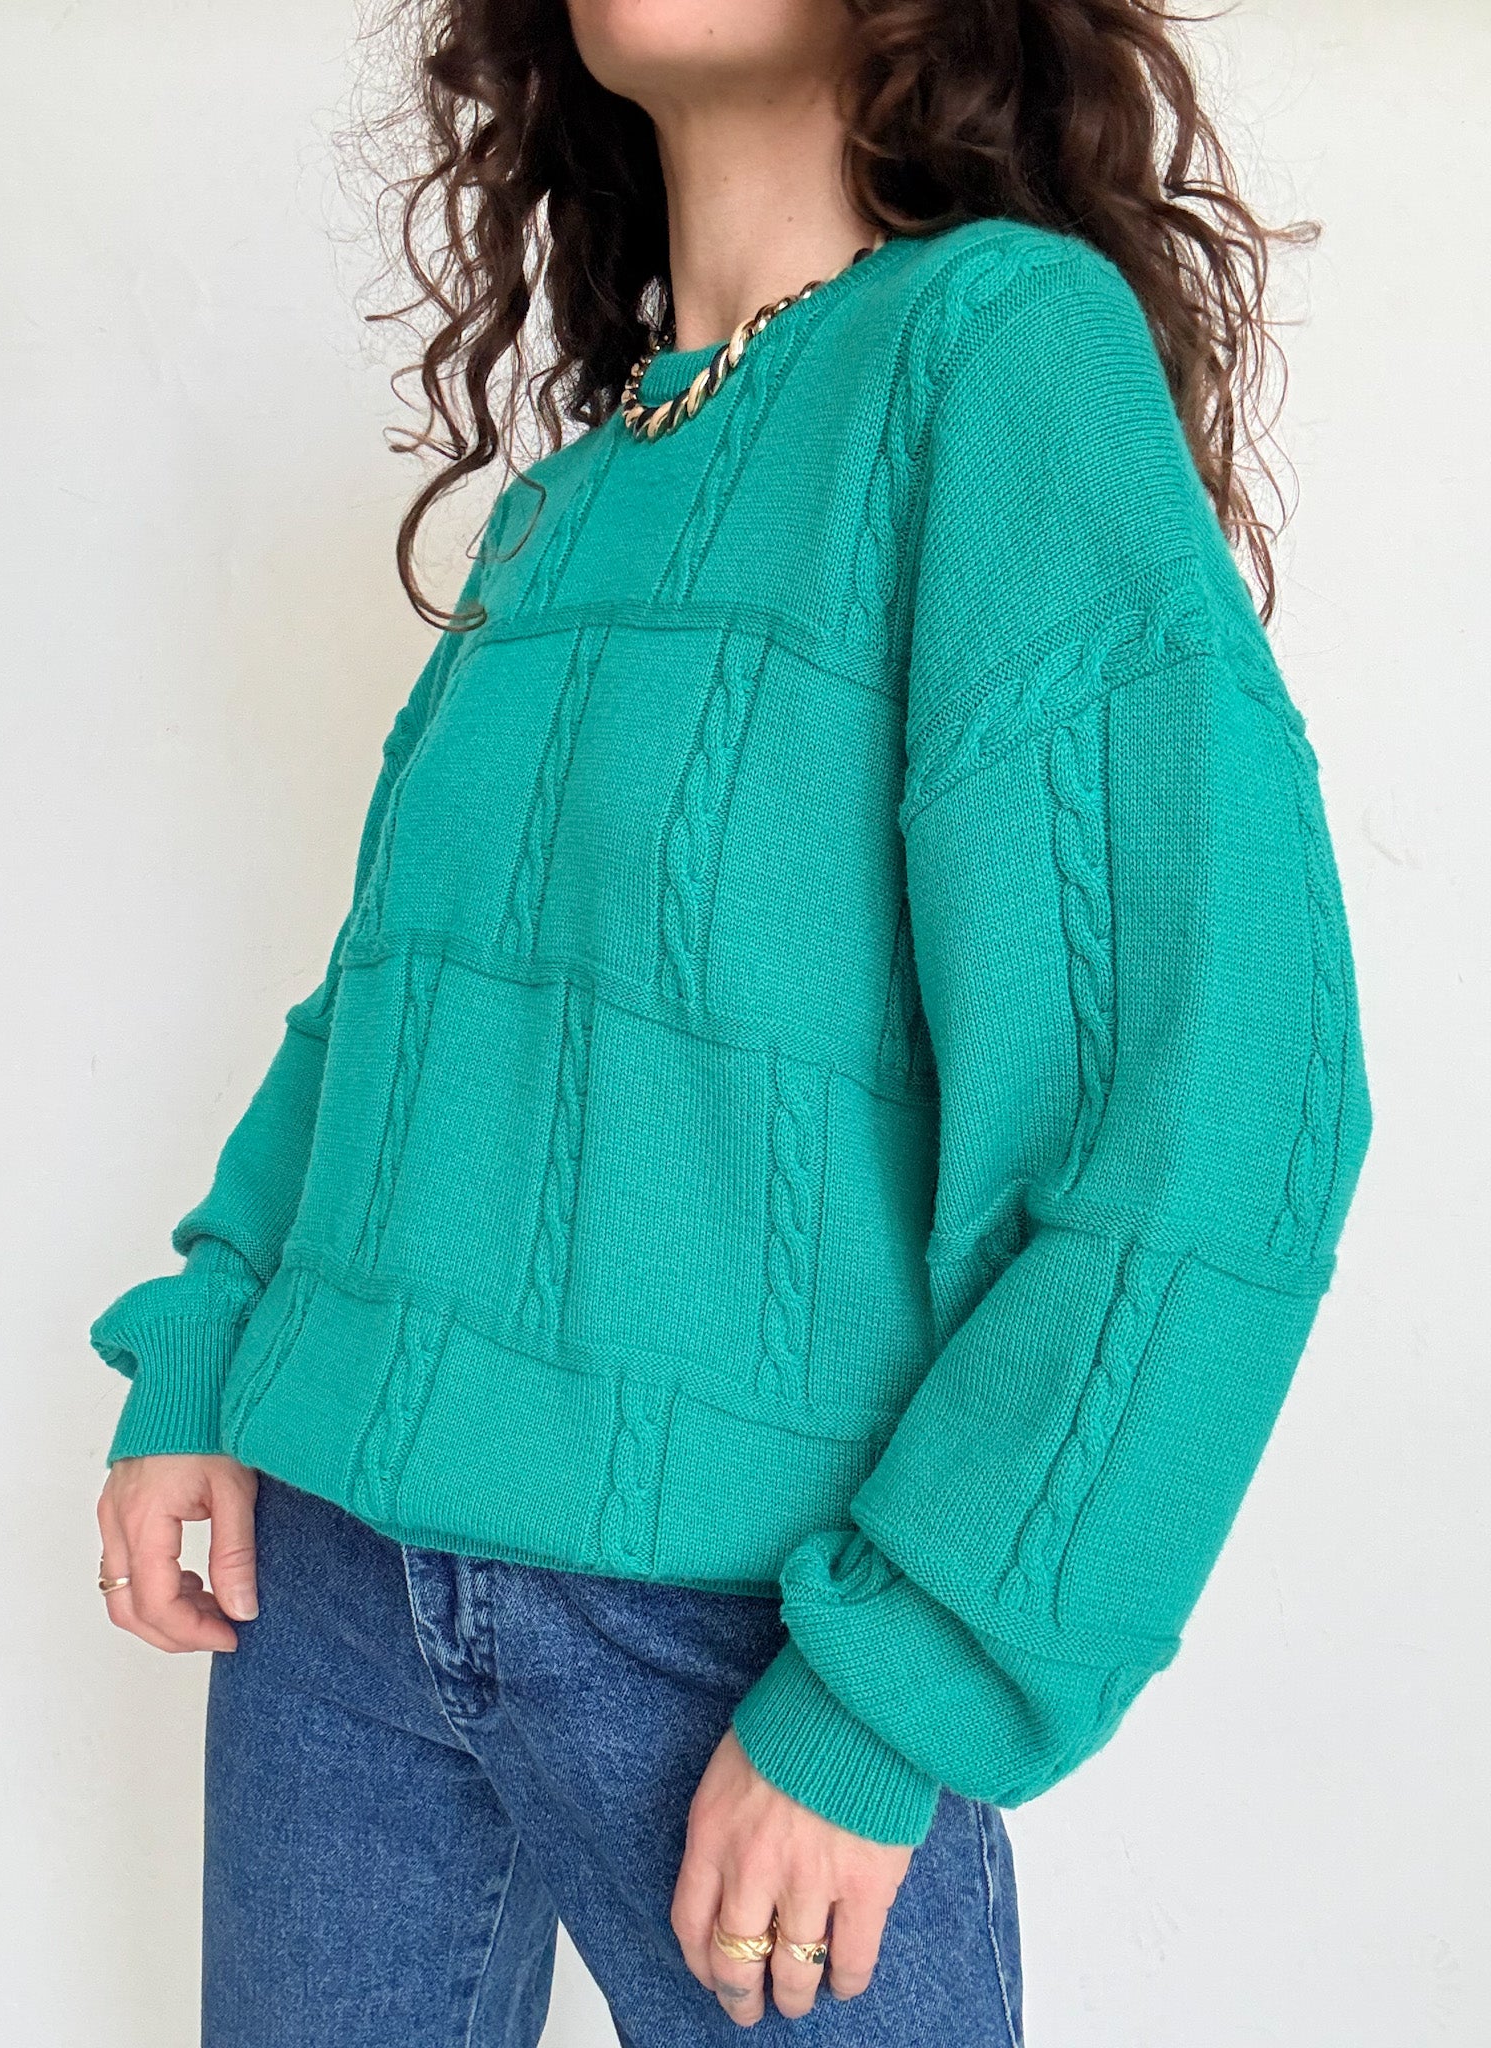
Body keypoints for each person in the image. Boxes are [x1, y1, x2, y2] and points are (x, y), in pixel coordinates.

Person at [87, 2, 1373, 2041]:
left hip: (736, 1648)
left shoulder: (995, 353)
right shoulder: (569, 497)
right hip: (327, 1587)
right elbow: (397, 996)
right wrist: (211, 1341)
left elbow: (1209, 1088)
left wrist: (896, 1692)